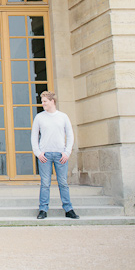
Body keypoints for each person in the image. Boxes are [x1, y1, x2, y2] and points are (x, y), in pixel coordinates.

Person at [31, 91, 79, 219]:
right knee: (45, 183)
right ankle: (43, 209)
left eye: (45, 101)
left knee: (63, 182)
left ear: (52, 101)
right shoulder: (39, 117)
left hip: (60, 155)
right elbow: (34, 137)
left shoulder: (63, 117)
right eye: (42, 101)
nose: (43, 104)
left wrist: (67, 152)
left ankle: (68, 209)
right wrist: (38, 153)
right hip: (44, 155)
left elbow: (70, 135)